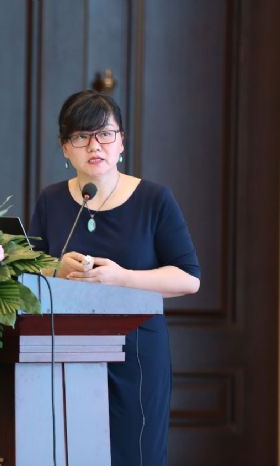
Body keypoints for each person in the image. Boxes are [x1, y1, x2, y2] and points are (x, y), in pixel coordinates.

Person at [28, 89, 200, 466]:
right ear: (65, 148)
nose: (95, 145)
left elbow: (189, 278)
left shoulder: (154, 199)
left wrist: (122, 278)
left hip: (136, 354)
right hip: (65, 354)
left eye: (105, 133)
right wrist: (56, 269)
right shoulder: (51, 200)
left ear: (121, 141)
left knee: (135, 455)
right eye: (81, 136)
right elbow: (27, 268)